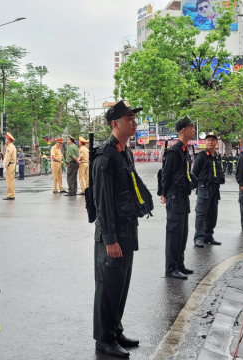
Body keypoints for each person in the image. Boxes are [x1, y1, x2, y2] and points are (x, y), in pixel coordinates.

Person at [91, 100, 151, 358]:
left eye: (134, 118)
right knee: (108, 284)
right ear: (115, 124)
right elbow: (102, 202)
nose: (134, 122)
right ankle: (104, 338)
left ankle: (115, 329)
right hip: (112, 234)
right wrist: (110, 239)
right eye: (129, 118)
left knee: (121, 283)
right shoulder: (105, 155)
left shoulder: (123, 152)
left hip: (127, 228)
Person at [160, 116, 196, 280]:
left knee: (182, 233)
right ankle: (171, 268)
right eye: (191, 127)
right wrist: (164, 193)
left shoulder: (184, 150)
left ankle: (179, 264)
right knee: (174, 233)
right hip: (175, 198)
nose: (193, 130)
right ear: (183, 130)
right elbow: (166, 174)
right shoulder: (174, 151)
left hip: (183, 197)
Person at [191, 132, 225, 248]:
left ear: (216, 142)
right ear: (204, 142)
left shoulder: (217, 156)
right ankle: (198, 237)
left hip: (215, 189)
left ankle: (208, 235)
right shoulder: (201, 156)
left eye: (213, 140)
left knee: (212, 214)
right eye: (208, 140)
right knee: (201, 214)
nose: (210, 142)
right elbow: (194, 174)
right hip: (204, 188)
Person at [3, 132, 16, 200]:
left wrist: (4, 165)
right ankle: (12, 194)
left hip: (9, 165)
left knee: (9, 181)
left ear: (8, 139)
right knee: (12, 180)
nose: (5, 140)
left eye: (6, 139)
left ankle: (10, 195)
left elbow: (7, 157)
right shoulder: (12, 146)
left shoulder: (9, 147)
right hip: (12, 164)